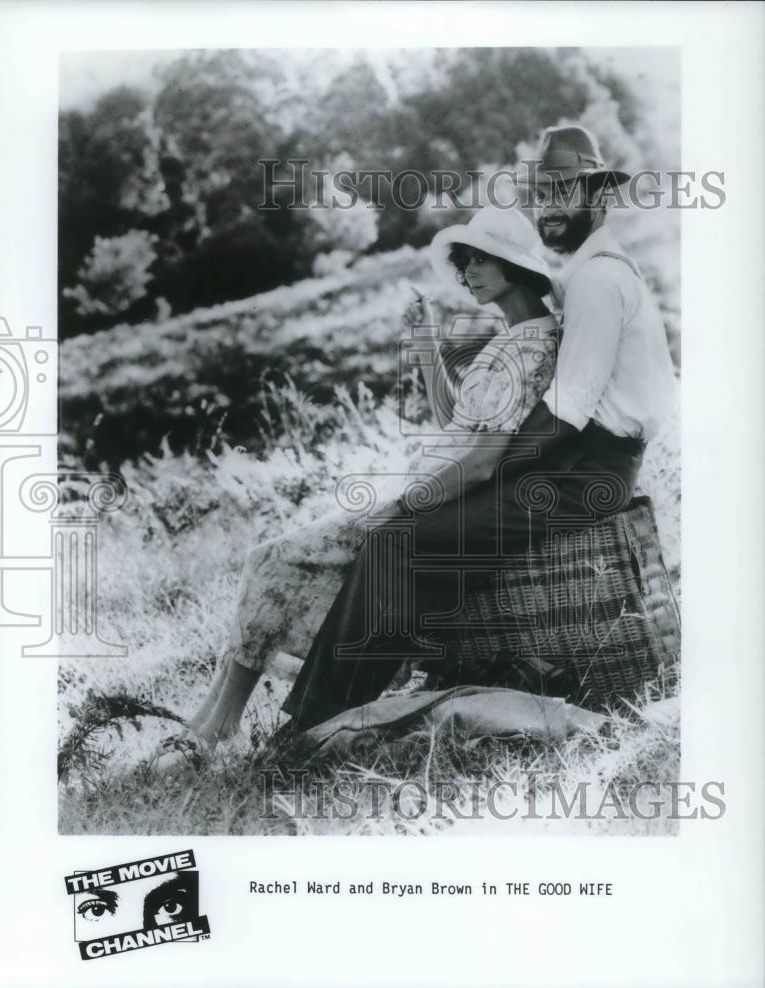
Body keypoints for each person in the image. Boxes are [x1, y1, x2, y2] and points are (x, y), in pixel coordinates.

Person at [278, 124, 677, 731]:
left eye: (562, 192)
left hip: (584, 470)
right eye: (540, 195)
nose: (548, 208)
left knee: (398, 541)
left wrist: (482, 473)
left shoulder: (598, 279)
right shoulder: (585, 276)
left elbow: (567, 410)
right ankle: (332, 711)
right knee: (410, 535)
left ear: (598, 196)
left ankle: (318, 724)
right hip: (570, 462)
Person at [188, 207, 559, 744]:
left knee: (268, 559)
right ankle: (212, 717)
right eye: (465, 261)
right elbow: (456, 424)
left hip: (433, 498)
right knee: (275, 563)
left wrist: (415, 499)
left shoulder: (532, 346)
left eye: (481, 260)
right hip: (426, 487)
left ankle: (220, 722)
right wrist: (428, 343)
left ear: (514, 266)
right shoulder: (514, 339)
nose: (467, 272)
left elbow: (485, 458)